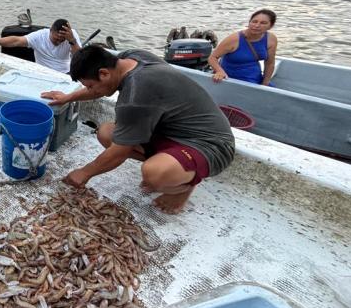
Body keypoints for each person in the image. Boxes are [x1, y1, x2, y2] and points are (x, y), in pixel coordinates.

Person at [42, 45, 235, 214]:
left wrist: (84, 173)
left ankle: (183, 185)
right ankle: (172, 167)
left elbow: (119, 153)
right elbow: (99, 90)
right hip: (170, 130)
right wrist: (68, 98)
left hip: (211, 145)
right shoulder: (130, 58)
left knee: (153, 175)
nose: (92, 91)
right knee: (106, 132)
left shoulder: (135, 96)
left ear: (104, 73)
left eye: (91, 86)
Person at [208, 9, 278, 86]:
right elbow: (212, 57)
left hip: (255, 77)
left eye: (263, 23)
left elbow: (270, 63)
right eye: (254, 21)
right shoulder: (234, 39)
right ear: (249, 22)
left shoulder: (271, 39)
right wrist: (219, 71)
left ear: (270, 26)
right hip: (232, 79)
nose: (257, 25)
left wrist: (265, 83)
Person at [0, 19, 81, 73]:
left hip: (64, 73)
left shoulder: (72, 35)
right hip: (42, 72)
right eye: (56, 38)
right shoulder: (39, 36)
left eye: (62, 40)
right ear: (50, 30)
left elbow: (79, 58)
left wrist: (72, 40)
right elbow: (16, 41)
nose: (58, 42)